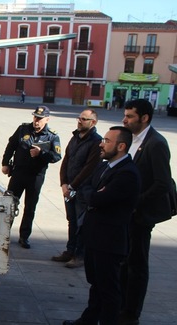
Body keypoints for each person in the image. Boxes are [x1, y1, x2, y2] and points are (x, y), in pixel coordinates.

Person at [63, 126, 141, 325]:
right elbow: (86, 187)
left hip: (109, 242)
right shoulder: (105, 166)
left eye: (107, 141)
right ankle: (88, 320)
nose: (101, 143)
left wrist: (93, 195)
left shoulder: (127, 174)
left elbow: (97, 199)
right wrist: (93, 194)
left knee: (108, 290)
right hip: (94, 237)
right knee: (96, 285)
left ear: (121, 146)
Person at [119, 99, 173, 325]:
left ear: (144, 118)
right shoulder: (130, 138)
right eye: (125, 115)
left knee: (137, 265)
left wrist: (136, 202)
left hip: (140, 215)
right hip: (125, 213)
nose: (125, 119)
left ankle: (132, 314)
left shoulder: (156, 143)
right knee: (123, 261)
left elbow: (162, 184)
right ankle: (121, 305)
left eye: (130, 116)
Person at [1, 106, 62, 249]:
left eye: (40, 119)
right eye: (35, 117)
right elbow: (11, 146)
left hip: (36, 177)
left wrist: (41, 154)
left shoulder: (52, 136)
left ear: (47, 119)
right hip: (18, 174)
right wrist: (5, 163)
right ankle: (4, 233)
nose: (36, 121)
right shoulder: (23, 129)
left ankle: (24, 236)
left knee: (30, 207)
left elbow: (56, 156)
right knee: (10, 204)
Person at [54, 109, 102, 268]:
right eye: (79, 118)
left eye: (84, 119)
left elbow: (89, 168)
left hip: (83, 190)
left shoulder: (96, 142)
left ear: (93, 122)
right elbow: (66, 161)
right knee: (72, 221)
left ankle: (79, 255)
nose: (79, 121)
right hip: (69, 188)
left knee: (81, 224)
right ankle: (70, 251)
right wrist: (63, 183)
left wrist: (72, 185)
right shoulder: (75, 138)